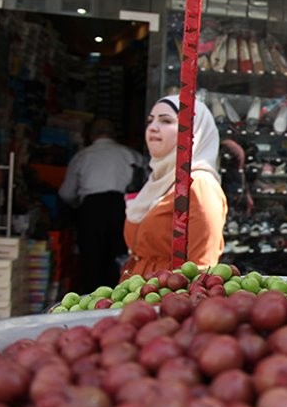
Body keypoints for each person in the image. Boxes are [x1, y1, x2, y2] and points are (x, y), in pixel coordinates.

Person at [121, 94, 227, 280]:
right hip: (137, 294)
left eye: (166, 121)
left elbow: (202, 269)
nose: (153, 128)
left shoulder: (199, 185)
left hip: (167, 301)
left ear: (193, 132)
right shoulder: (158, 182)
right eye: (150, 120)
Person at [58, 118, 144, 293]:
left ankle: (91, 305)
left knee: (91, 263)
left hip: (91, 212)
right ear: (114, 135)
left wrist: (77, 206)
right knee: (121, 261)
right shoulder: (131, 155)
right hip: (122, 211)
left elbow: (66, 194)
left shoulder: (82, 157)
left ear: (90, 135)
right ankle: (119, 303)